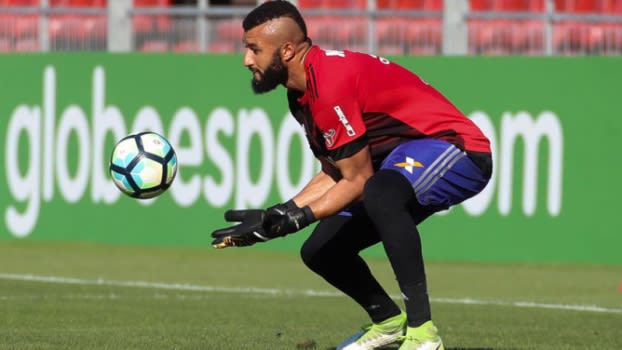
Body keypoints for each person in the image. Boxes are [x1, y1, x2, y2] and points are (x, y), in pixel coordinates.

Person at [210, 1, 492, 349]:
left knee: (378, 193)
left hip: (458, 149)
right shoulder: (301, 94)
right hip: (399, 159)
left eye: (254, 49)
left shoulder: (329, 82)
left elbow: (358, 182)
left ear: (285, 50)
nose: (247, 60)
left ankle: (423, 336)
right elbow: (336, 172)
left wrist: (300, 216)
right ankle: (388, 322)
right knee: (320, 250)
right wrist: (276, 217)